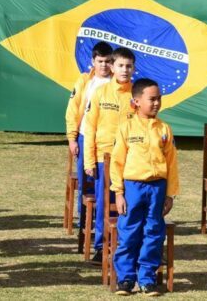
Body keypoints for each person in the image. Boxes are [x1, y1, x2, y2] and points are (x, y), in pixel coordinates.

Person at [111, 77, 178, 297]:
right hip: (133, 187)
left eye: (159, 98)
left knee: (153, 232)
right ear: (137, 101)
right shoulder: (126, 127)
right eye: (152, 99)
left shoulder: (164, 129)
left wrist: (169, 195)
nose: (157, 103)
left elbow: (172, 164)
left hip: (157, 188)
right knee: (129, 231)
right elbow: (117, 162)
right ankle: (126, 279)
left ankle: (147, 279)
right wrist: (119, 193)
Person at [82, 46, 135, 265]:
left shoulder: (137, 94)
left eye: (129, 66)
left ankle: (126, 245)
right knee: (106, 203)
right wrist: (89, 160)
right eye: (120, 65)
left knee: (128, 204)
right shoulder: (99, 93)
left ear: (134, 69)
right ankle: (101, 245)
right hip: (104, 159)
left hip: (131, 160)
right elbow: (90, 127)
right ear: (112, 67)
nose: (124, 70)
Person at [65, 41, 114, 232]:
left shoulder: (116, 83)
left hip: (107, 142)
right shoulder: (85, 81)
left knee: (106, 183)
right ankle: (84, 223)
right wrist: (72, 138)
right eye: (100, 61)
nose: (103, 65)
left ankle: (106, 223)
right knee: (86, 181)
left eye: (107, 61)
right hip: (85, 137)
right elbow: (72, 111)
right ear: (93, 61)